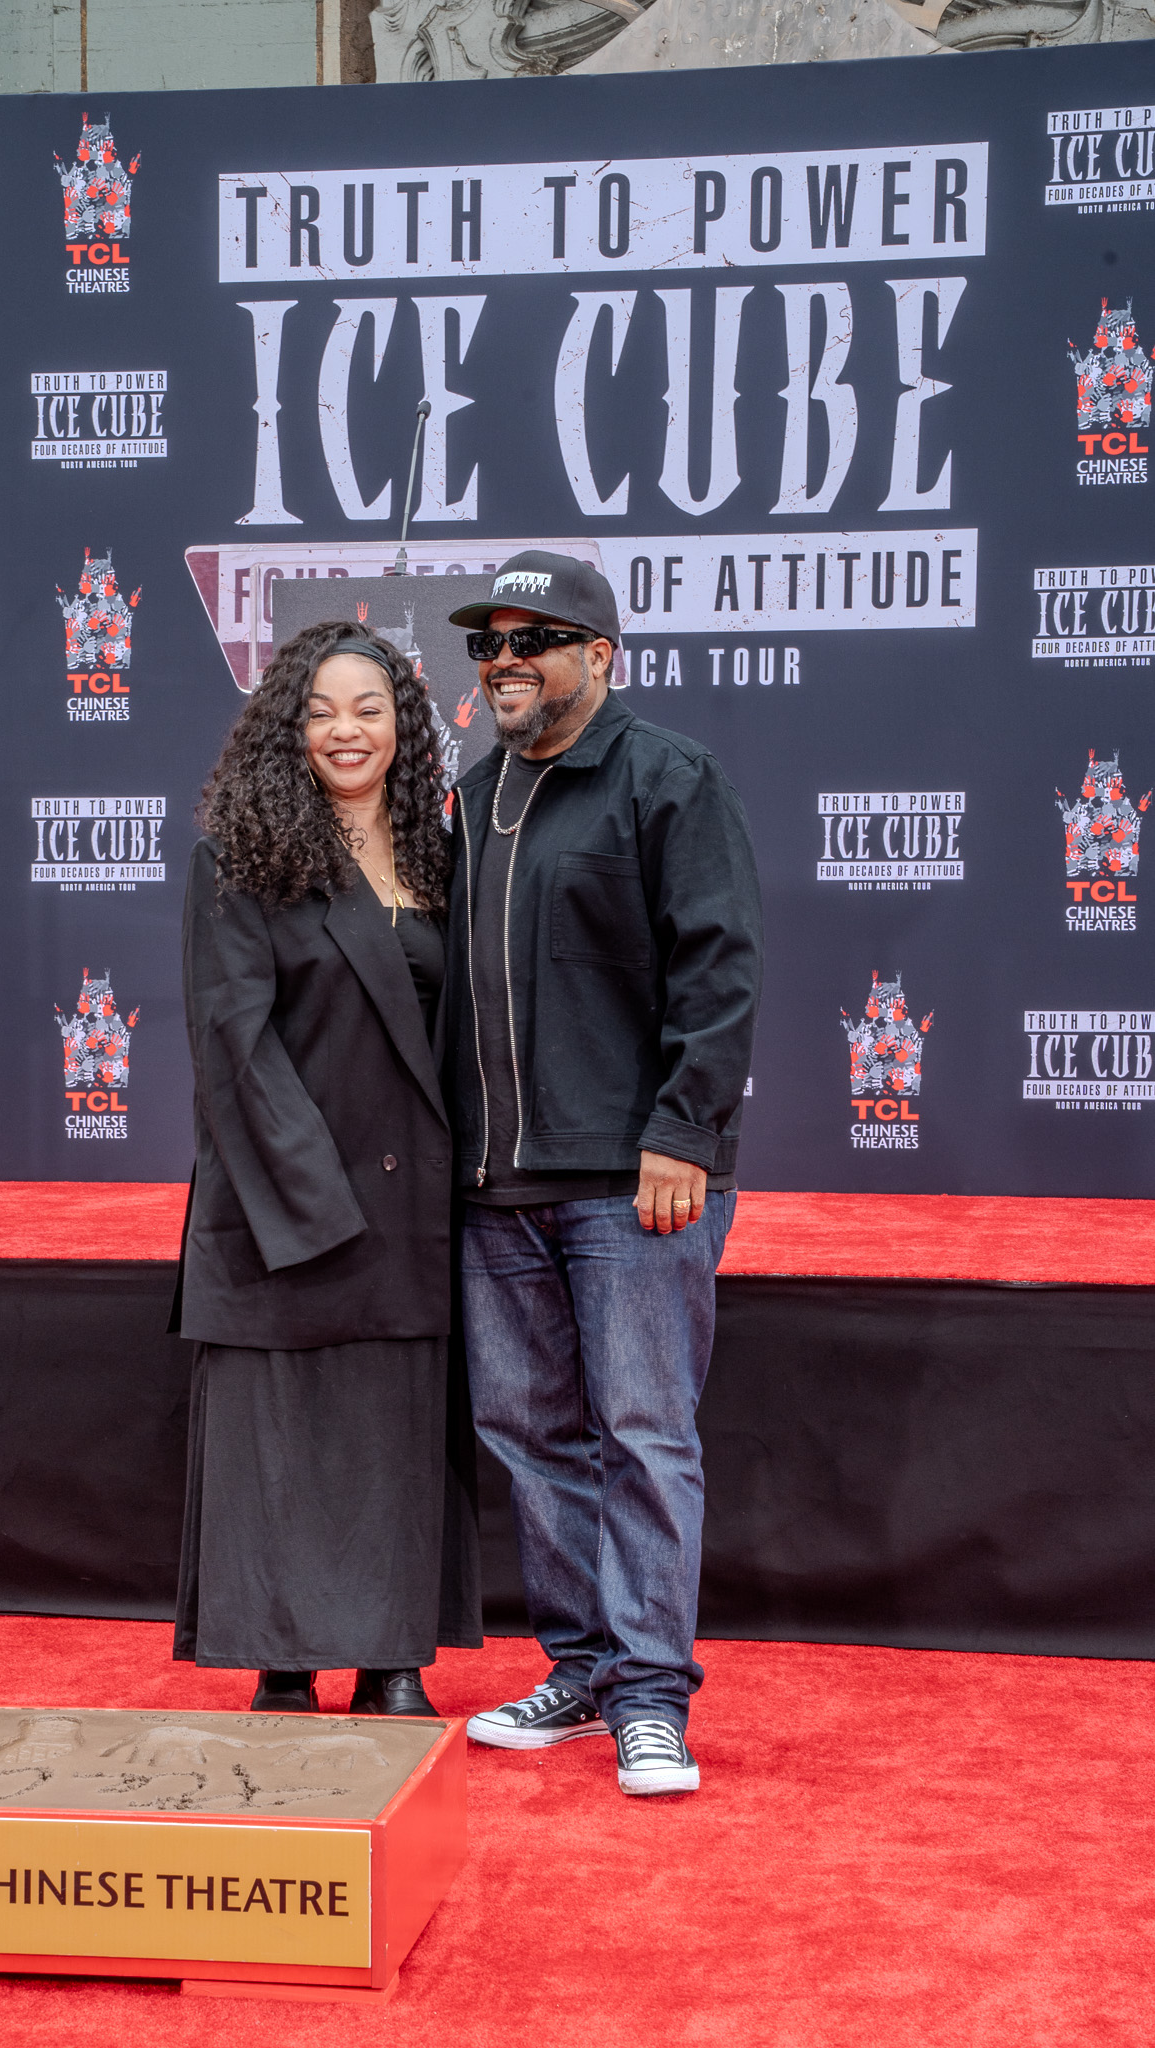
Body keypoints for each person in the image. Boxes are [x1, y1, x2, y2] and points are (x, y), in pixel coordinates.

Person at [442, 552, 762, 1793]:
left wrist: (685, 1131)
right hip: (498, 1181)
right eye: (490, 642)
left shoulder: (666, 777)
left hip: (636, 1180)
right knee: (526, 1432)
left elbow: (721, 968)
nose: (507, 659)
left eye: (538, 637)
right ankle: (580, 1669)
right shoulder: (475, 796)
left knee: (642, 1430)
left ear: (601, 655)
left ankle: (650, 1697)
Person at [171, 618, 481, 1716]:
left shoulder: (447, 857)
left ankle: (393, 1656)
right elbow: (235, 1050)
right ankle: (288, 1660)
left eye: (369, 708)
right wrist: (319, 1203)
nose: (346, 731)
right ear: (283, 731)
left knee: (396, 1437)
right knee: (284, 1441)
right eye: (319, 712)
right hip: (286, 1210)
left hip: (415, 1210)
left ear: (408, 723)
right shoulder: (241, 861)